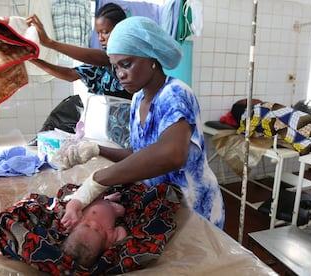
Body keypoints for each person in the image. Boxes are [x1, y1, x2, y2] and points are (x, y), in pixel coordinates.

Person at [60, 16, 225, 229]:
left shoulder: (175, 94)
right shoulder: (138, 98)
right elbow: (139, 153)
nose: (120, 74)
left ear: (151, 58)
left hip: (195, 208)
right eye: (115, 67)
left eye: (126, 64)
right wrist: (95, 149)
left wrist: (97, 182)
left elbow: (171, 154)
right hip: (164, 207)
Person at [26, 3, 131, 99]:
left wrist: (49, 43)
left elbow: (105, 59)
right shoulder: (99, 66)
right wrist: (32, 58)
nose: (100, 38)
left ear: (120, 28)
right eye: (98, 33)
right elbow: (70, 74)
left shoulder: (130, 57)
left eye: (105, 32)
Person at [61, 192, 128, 267]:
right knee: (122, 210)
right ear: (102, 247)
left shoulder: (75, 222)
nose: (95, 225)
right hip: (112, 209)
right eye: (97, 231)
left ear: (73, 230)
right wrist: (119, 242)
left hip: (94, 199)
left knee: (92, 193)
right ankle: (109, 200)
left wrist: (71, 210)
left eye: (87, 226)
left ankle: (106, 198)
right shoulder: (108, 241)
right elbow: (120, 230)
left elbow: (75, 202)